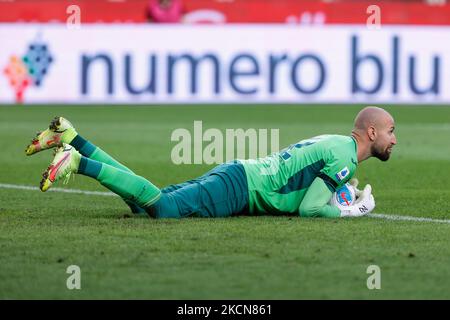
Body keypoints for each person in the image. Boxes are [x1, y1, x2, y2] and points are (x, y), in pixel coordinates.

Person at [25, 106, 396, 219]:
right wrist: (350, 211)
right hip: (243, 188)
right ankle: (78, 161)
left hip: (241, 174)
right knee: (163, 209)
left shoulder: (336, 143)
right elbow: (310, 208)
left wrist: (336, 193)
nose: (395, 139)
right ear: (373, 133)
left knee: (145, 204)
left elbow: (307, 187)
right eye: (391, 131)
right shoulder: (346, 158)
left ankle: (73, 138)